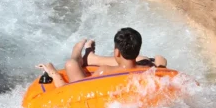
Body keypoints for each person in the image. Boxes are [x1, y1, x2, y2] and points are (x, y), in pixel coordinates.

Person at [38, 28, 167, 89]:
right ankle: (90, 58)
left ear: (116, 52)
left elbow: (72, 91)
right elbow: (160, 60)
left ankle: (76, 55)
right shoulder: (148, 68)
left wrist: (53, 73)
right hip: (136, 65)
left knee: (71, 64)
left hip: (86, 92)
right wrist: (161, 66)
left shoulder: (104, 71)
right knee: (143, 58)